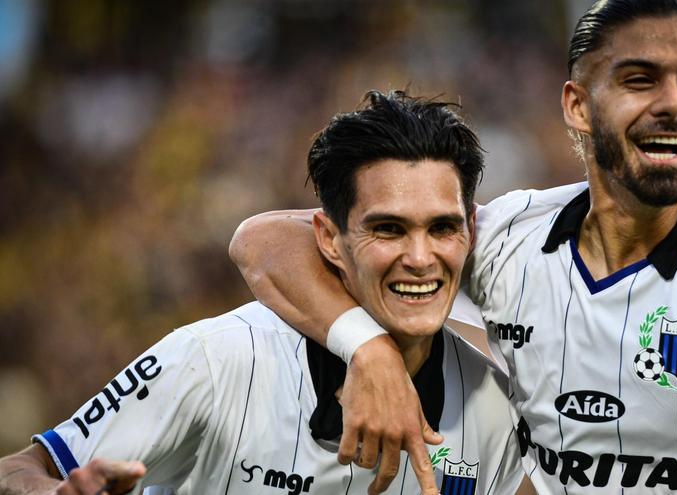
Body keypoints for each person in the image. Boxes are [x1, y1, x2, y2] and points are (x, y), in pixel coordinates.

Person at [227, 1, 677, 494]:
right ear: (577, 105)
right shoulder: (517, 236)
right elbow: (264, 241)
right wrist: (370, 350)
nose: (674, 105)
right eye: (640, 81)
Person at [0, 91, 527, 495]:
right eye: (387, 229)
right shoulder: (217, 360)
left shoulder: (494, 411)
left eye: (442, 228)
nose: (419, 257)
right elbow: (20, 468)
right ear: (329, 239)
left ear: (470, 233)